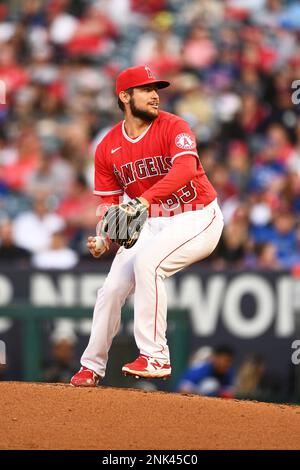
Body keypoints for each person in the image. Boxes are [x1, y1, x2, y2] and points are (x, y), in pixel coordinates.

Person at [71, 65, 224, 387]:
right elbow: (110, 204)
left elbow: (184, 169)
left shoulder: (174, 126)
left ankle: (156, 356)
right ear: (125, 96)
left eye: (156, 89)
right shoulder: (108, 147)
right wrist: (104, 237)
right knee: (111, 289)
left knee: (148, 265)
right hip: (153, 223)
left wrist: (142, 202)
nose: (155, 95)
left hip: (197, 215)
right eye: (146, 89)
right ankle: (91, 367)